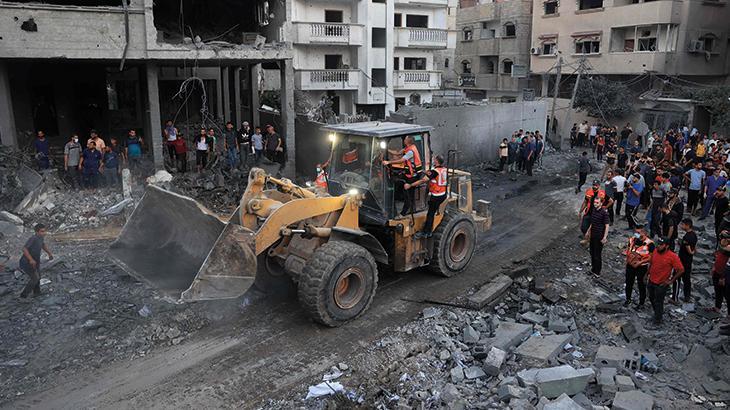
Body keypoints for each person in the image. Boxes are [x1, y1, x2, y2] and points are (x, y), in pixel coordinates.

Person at [405, 155, 448, 239]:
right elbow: (430, 173)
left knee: (430, 214)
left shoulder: (435, 171)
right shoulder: (443, 169)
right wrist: (422, 171)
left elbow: (423, 180)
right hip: (443, 194)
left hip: (436, 196)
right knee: (432, 212)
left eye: (434, 159)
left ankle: (426, 233)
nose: (433, 160)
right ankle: (428, 231)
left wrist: (410, 185)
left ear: (436, 161)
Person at [647, 236, 685, 325]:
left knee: (659, 301)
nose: (658, 246)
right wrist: (646, 274)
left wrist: (671, 280)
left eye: (661, 245)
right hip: (651, 280)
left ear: (667, 246)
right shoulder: (655, 251)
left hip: (661, 284)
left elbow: (681, 269)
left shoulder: (672, 256)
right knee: (651, 298)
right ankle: (657, 313)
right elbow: (651, 263)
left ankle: (658, 320)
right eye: (658, 244)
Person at [384, 135, 423, 216]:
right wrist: (386, 150)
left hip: (413, 176)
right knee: (396, 181)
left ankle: (404, 212)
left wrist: (389, 162)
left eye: (405, 138)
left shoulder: (410, 152)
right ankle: (396, 199)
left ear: (408, 141)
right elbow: (397, 153)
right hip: (408, 174)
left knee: (407, 193)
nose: (404, 140)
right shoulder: (408, 148)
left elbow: (401, 160)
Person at [19, 224, 53, 299]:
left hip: (36, 261)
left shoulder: (41, 237)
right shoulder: (33, 238)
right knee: (35, 278)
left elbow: (43, 245)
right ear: (37, 232)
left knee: (38, 276)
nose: (44, 233)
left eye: (44, 231)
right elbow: (24, 249)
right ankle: (23, 296)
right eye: (42, 231)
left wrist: (49, 253)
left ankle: (37, 292)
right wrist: (31, 259)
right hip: (27, 262)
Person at [625, 223, 653, 307]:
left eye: (639, 233)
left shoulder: (650, 244)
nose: (637, 234)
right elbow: (628, 250)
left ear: (644, 233)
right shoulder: (632, 240)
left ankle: (641, 302)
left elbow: (651, 257)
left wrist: (639, 262)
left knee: (641, 284)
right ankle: (628, 299)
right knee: (629, 282)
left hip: (641, 267)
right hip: (630, 265)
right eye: (636, 232)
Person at [584, 195, 610, 276]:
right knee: (592, 252)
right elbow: (592, 222)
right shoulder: (594, 210)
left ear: (601, 203)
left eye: (597, 203)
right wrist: (588, 231)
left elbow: (607, 225)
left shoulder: (604, 213)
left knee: (597, 255)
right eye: (594, 202)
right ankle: (593, 270)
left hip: (599, 237)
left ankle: (597, 272)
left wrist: (605, 237)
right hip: (593, 235)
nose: (595, 204)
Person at [673, 218, 696, 303]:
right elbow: (694, 248)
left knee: (676, 278)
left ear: (687, 225)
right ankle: (687, 296)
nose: (681, 226)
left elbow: (689, 250)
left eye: (683, 224)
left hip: (683, 260)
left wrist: (690, 252)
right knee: (687, 279)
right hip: (689, 261)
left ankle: (675, 298)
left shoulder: (687, 237)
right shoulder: (694, 235)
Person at [710, 231, 730, 314]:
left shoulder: (728, 248)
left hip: (725, 274)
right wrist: (714, 267)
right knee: (718, 291)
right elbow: (719, 256)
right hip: (717, 271)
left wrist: (723, 277)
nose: (722, 240)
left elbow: (727, 265)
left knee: (727, 295)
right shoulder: (723, 246)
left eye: (724, 238)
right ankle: (717, 307)